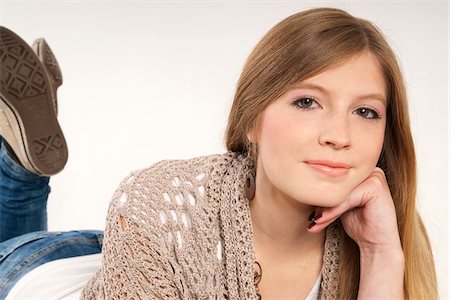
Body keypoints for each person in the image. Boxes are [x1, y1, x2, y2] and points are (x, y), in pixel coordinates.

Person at [0, 7, 438, 299]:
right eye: (307, 102)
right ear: (252, 120)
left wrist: (382, 257)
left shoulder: (386, 234)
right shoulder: (157, 202)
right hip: (40, 277)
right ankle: (21, 173)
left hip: (157, 257)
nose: (340, 135)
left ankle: (21, 162)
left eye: (365, 111)